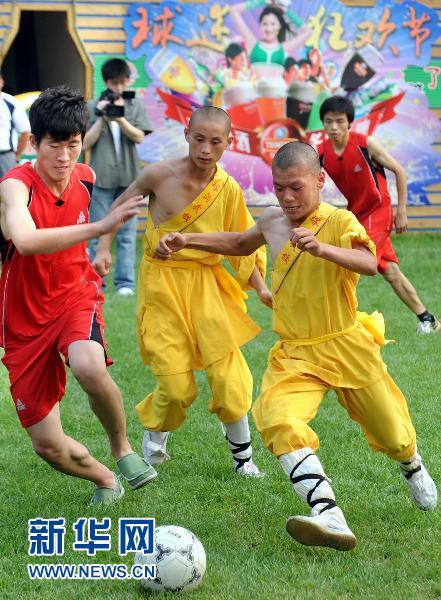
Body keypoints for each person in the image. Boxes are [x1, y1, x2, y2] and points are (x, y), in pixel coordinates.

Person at [155, 141, 437, 551]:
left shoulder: (338, 221)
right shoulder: (272, 220)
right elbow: (238, 245)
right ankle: (329, 514)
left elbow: (368, 264)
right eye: (279, 188)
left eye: (295, 187)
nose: (286, 197)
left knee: (393, 435)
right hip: (296, 353)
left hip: (346, 345)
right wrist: (188, 240)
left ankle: (412, 465)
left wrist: (322, 248)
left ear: (319, 181)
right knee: (278, 418)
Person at [92, 106, 271, 477]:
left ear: (229, 143)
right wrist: (104, 248)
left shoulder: (227, 188)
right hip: (162, 287)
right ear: (187, 133)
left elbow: (244, 243)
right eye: (199, 138)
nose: (206, 149)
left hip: (209, 288)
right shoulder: (158, 174)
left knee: (230, 378)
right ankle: (154, 446)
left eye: (215, 142)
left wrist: (263, 289)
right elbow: (120, 205)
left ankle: (243, 460)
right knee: (175, 386)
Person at [0, 86, 157, 505]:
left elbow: (116, 211)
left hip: (75, 294)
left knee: (88, 364)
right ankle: (106, 479)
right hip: (23, 321)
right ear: (34, 143)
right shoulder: (16, 187)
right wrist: (99, 231)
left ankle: (122, 449)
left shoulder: (85, 178)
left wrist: (103, 250)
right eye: (55, 146)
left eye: (73, 146)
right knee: (47, 445)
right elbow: (27, 240)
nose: (65, 158)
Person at [317, 96, 439, 334]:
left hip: (379, 210)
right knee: (391, 272)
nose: (334, 127)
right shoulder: (321, 151)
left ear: (349, 122)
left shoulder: (366, 144)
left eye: (339, 121)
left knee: (352, 261)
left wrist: (401, 212)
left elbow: (400, 172)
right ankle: (428, 319)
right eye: (328, 121)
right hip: (356, 213)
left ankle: (336, 322)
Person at [83, 58, 152, 296]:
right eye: (114, 84)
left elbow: (139, 137)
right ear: (106, 82)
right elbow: (84, 144)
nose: (119, 89)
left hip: (129, 179)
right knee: (97, 232)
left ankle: (125, 284)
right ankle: (95, 280)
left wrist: (120, 117)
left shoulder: (134, 105)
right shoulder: (93, 106)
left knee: (126, 234)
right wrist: (102, 117)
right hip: (101, 176)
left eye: (123, 83)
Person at [229, 2, 311, 76]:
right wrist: (262, 1)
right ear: (260, 25)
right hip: (255, 91)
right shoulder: (253, 43)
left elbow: (308, 32)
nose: (269, 29)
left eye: (273, 24)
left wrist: (287, 11)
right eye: (265, 24)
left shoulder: (283, 48)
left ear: (280, 26)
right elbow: (234, 10)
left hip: (278, 92)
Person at [0, 70, 31, 177]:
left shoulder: (11, 102)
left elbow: (25, 131)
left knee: (7, 190)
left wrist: (16, 156)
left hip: (5, 155)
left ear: (1, 82)